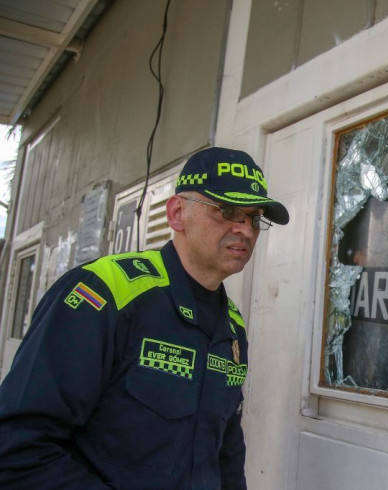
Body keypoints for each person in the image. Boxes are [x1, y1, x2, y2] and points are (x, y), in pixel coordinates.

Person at [0, 147, 289, 489]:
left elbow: (226, 449)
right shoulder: (106, 293)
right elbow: (17, 448)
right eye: (227, 210)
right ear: (177, 214)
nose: (245, 230)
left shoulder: (232, 327)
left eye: (254, 218)